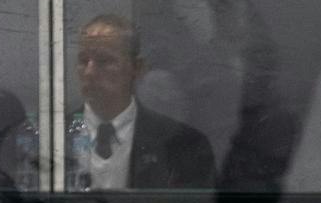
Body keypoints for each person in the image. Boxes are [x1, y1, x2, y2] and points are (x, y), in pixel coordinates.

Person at [71, 13, 214, 191]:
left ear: (137, 68)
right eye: (83, 61)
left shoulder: (183, 145)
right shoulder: (49, 137)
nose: (89, 72)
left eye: (104, 61)